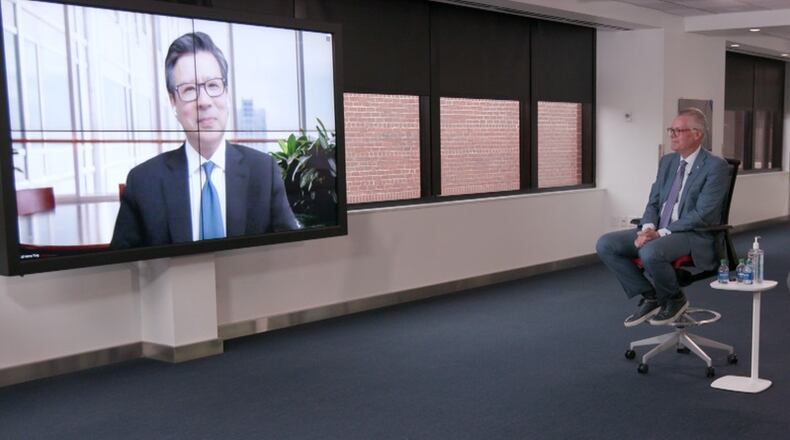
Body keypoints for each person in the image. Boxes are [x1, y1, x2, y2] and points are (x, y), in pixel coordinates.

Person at [111, 32, 298, 249]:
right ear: (173, 102)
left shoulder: (263, 171)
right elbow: (121, 273)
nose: (204, 101)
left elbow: (290, 254)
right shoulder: (143, 182)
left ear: (226, 93)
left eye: (213, 85)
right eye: (190, 89)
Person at [596, 108, 729, 327]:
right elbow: (654, 201)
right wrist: (647, 228)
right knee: (606, 244)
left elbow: (703, 214)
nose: (672, 135)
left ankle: (674, 298)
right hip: (659, 228)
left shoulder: (715, 166)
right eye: (671, 130)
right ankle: (651, 296)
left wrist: (659, 233)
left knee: (650, 251)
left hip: (692, 233)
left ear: (697, 134)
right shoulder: (667, 161)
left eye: (679, 130)